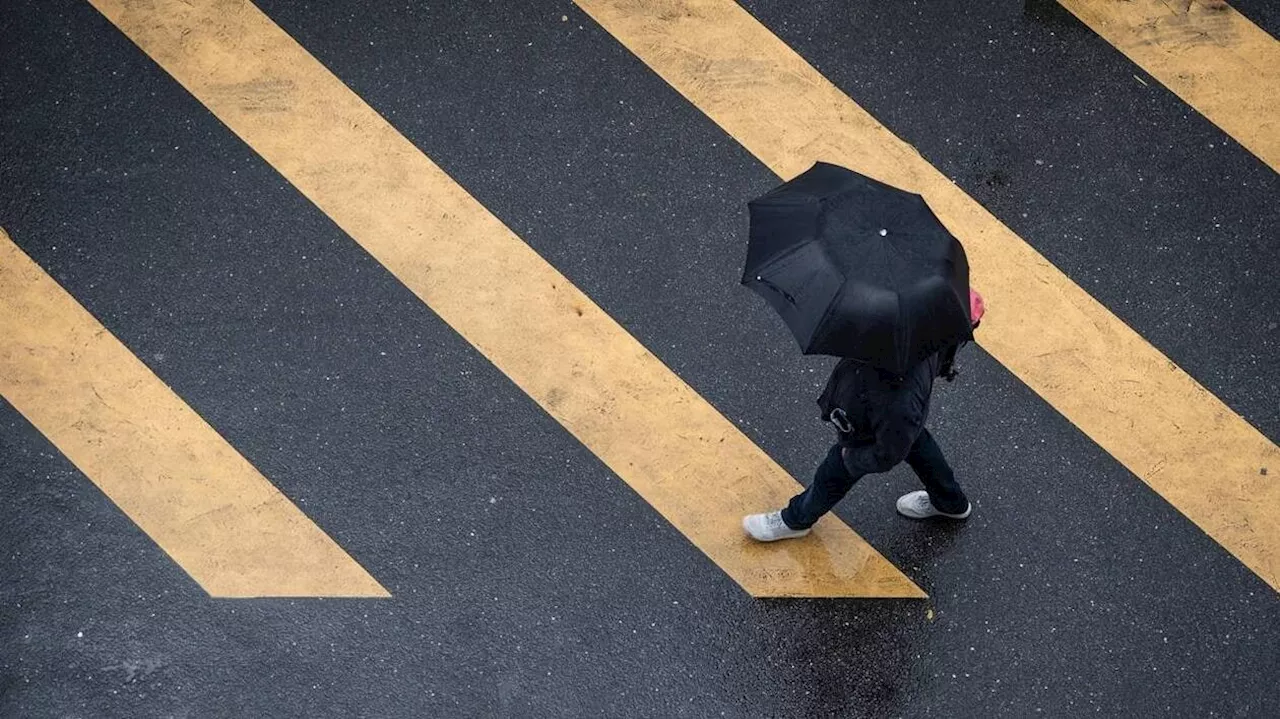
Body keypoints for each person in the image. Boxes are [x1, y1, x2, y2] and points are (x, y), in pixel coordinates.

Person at [743, 290, 986, 542]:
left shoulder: (899, 396)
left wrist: (854, 459)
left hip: (871, 417)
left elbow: (887, 453)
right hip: (887, 406)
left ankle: (796, 519)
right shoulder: (925, 334)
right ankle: (950, 501)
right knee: (916, 441)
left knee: (835, 471)